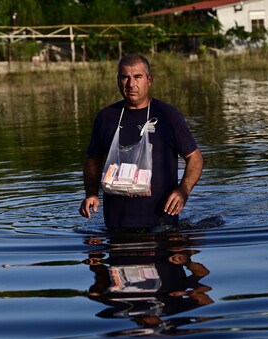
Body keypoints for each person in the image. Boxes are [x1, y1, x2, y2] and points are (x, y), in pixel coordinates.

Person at [79, 53, 203, 230]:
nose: (131, 84)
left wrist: (184, 190)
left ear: (149, 80)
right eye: (125, 78)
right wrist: (91, 193)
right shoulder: (106, 117)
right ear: (118, 80)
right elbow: (93, 159)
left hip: (161, 223)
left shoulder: (168, 115)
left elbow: (195, 157)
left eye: (137, 77)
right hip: (116, 225)